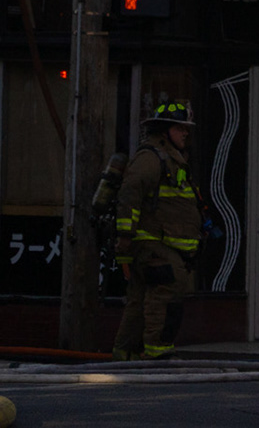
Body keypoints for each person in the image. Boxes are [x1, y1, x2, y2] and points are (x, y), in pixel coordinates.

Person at [112, 101, 201, 360]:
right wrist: (125, 236)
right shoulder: (151, 158)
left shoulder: (173, 160)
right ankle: (156, 353)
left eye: (187, 128)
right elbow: (130, 193)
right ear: (164, 131)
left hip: (159, 245)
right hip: (152, 245)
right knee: (168, 289)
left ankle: (124, 354)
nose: (185, 133)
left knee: (139, 299)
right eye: (179, 128)